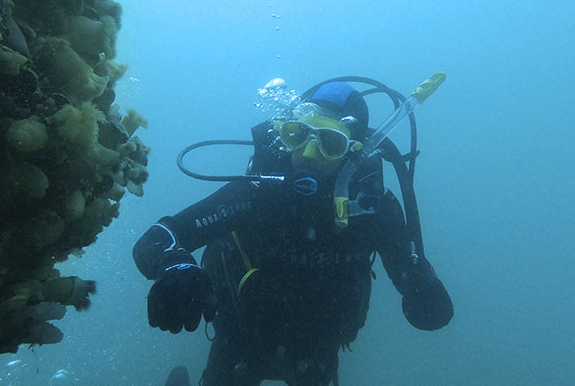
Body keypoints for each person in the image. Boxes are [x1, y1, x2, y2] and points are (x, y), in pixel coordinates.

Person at [133, 78, 454, 386]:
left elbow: (415, 281)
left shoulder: (372, 208)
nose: (308, 155)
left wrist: (421, 286)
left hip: (317, 348)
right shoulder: (258, 193)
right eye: (297, 135)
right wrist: (175, 265)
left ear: (355, 152)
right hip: (241, 338)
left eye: (329, 142)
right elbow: (161, 236)